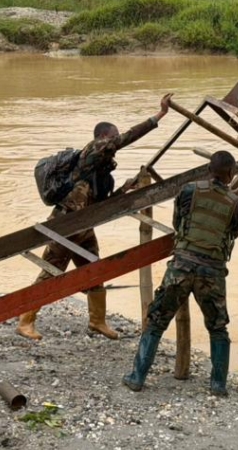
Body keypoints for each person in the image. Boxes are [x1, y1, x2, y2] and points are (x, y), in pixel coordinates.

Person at [17, 93, 173, 342]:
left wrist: (125, 189)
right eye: (112, 137)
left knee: (95, 271)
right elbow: (126, 138)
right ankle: (26, 320)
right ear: (103, 137)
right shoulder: (93, 149)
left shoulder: (101, 174)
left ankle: (97, 321)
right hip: (67, 224)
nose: (114, 144)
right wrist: (159, 115)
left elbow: (102, 205)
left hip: (85, 227)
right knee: (51, 271)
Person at [123, 150, 238, 396]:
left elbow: (177, 222)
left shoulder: (189, 191)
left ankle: (137, 378)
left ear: (209, 170)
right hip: (212, 272)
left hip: (181, 267)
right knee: (218, 328)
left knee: (156, 321)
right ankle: (218, 385)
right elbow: (232, 233)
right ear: (232, 174)